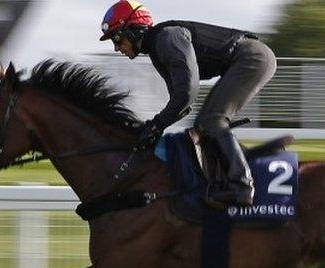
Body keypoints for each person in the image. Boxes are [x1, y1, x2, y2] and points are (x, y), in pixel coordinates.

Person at [99, 0, 277, 207]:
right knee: (203, 125)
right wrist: (152, 127)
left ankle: (242, 187)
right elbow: (180, 104)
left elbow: (186, 94)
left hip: (252, 57)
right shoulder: (158, 50)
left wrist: (156, 125)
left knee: (212, 120)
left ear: (133, 29)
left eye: (117, 38)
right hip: (245, 59)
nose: (116, 47)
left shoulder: (167, 38)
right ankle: (231, 174)